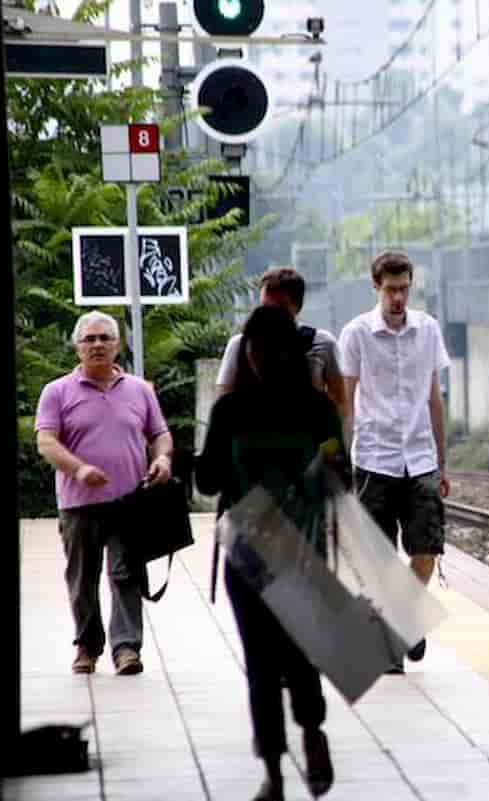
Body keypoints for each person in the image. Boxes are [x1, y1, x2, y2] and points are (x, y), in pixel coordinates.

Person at [196, 306, 343, 801]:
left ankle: (293, 755)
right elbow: (336, 471)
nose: (259, 357)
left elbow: (207, 480)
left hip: (270, 553)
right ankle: (294, 754)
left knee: (280, 660)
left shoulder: (235, 412)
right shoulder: (312, 410)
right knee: (282, 659)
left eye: (261, 348)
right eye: (255, 348)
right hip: (281, 551)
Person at [35, 311, 173, 676]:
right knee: (82, 578)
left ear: (118, 345)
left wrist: (162, 459)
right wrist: (78, 469)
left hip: (129, 501)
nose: (97, 345)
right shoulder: (57, 391)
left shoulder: (139, 389)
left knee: (126, 574)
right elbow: (46, 441)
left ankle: (127, 648)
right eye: (89, 340)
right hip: (79, 503)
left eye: (104, 339)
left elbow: (159, 433)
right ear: (77, 347)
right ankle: (87, 645)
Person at [338, 250, 450, 674]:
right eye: (391, 290)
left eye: (404, 288)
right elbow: (345, 402)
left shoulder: (428, 330)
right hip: (374, 458)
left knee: (427, 549)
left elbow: (434, 397)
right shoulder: (356, 334)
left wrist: (443, 461)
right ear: (376, 287)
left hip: (419, 457)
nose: (399, 297)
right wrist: (341, 465)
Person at [217, 266, 348, 419]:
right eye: (265, 307)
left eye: (279, 308)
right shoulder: (239, 345)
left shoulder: (323, 343)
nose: (271, 315)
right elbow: (224, 404)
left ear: (297, 307)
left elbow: (339, 403)